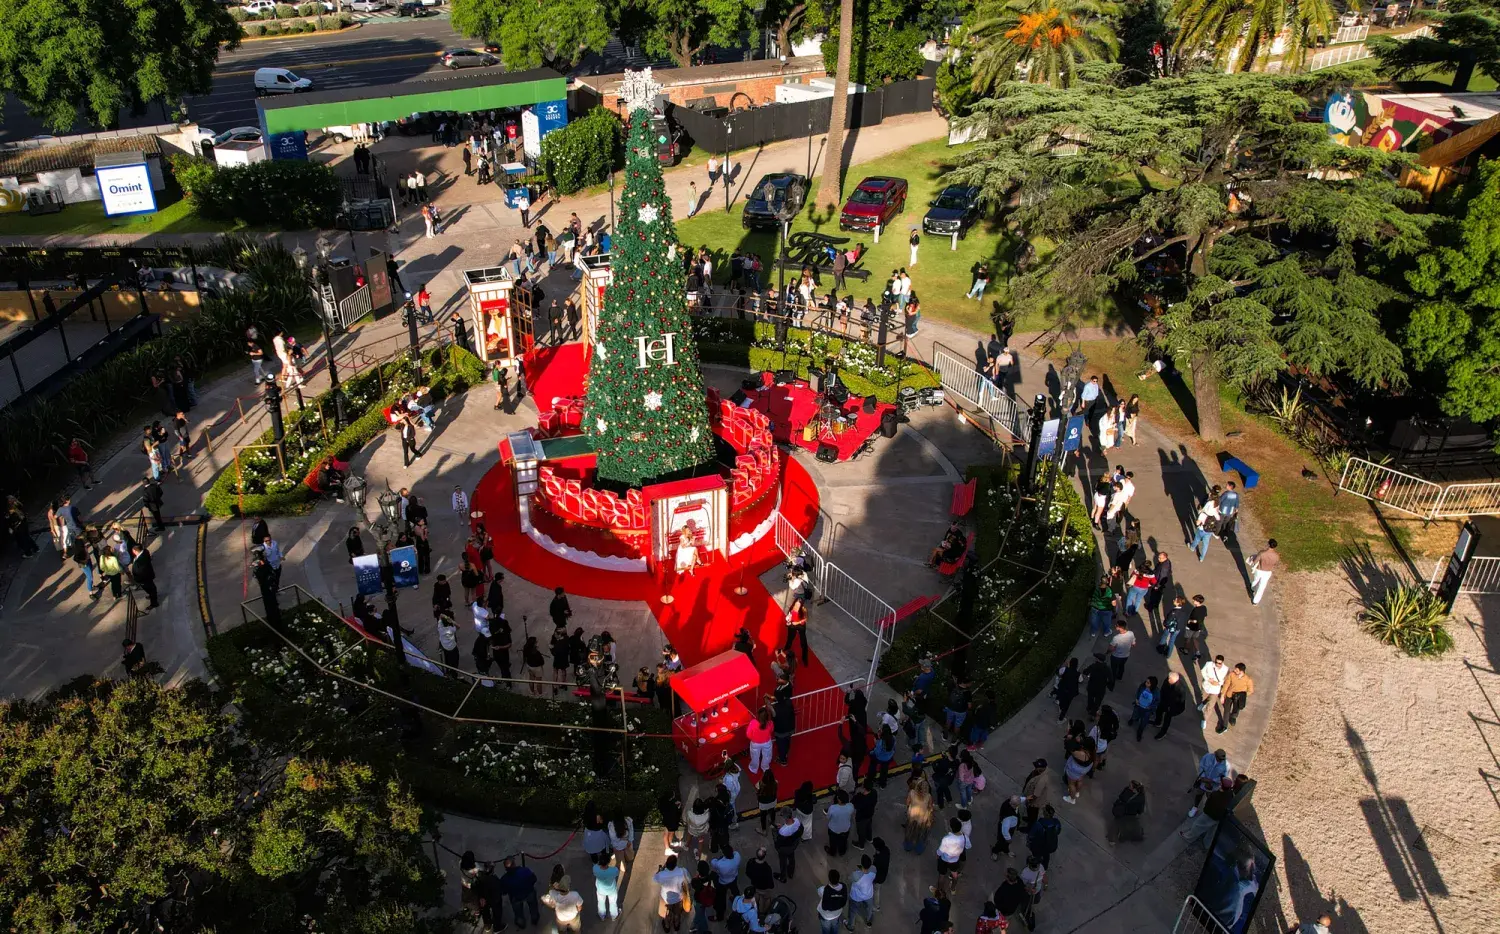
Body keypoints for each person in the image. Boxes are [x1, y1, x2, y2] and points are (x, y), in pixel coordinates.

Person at [1188, 749, 1233, 817]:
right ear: (1215, 754)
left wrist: (1211, 781)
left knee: (1210, 799)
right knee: (1199, 794)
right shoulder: (1207, 757)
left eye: (1222, 759)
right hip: (1203, 782)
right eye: (1219, 758)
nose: (1221, 760)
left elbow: (1223, 778)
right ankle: (1195, 807)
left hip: (1213, 786)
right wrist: (1203, 778)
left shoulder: (1227, 766)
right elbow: (1201, 766)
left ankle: (1206, 811)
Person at [499, 857, 541, 929]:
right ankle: (535, 919)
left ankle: (521, 923)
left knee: (518, 912)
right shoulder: (525, 871)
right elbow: (534, 879)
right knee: (533, 907)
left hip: (516, 897)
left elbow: (504, 892)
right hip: (529, 893)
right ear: (514, 864)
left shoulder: (504, 879)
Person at [653, 854, 690, 932]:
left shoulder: (661, 874)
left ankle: (667, 926)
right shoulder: (682, 871)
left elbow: (655, 879)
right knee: (677, 913)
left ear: (666, 864)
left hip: (665, 898)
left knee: (666, 913)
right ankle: (676, 925)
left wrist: (660, 870)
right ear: (675, 864)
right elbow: (689, 880)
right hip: (678, 898)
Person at [1218, 663, 1254, 733]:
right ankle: (1225, 726)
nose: (1234, 670)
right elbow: (1226, 684)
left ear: (1241, 671)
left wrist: (1242, 695)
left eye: (1236, 670)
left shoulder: (1248, 680)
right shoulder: (1232, 674)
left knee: (1236, 710)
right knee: (1226, 711)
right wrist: (1222, 695)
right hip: (1229, 695)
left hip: (1238, 699)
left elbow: (1251, 691)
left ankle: (1233, 717)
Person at [1108, 780, 1147, 844]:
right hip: (1132, 815)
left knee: (1116, 823)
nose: (1129, 786)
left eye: (1130, 785)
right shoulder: (1141, 797)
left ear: (1133, 788)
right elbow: (1140, 810)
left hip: (1122, 812)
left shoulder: (1127, 791)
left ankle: (1112, 839)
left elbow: (1120, 797)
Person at [936, 816, 968, 892]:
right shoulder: (963, 837)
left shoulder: (946, 839)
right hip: (955, 860)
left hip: (944, 859)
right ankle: (953, 889)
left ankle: (939, 891)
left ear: (951, 828)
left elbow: (940, 851)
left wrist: (937, 856)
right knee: (955, 874)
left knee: (942, 875)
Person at [903, 776, 935, 854]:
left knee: (909, 833)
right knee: (921, 835)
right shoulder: (928, 796)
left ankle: (908, 847)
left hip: (912, 818)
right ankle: (919, 849)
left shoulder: (911, 793)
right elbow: (930, 808)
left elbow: (907, 803)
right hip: (923, 820)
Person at [1153, 671, 1188, 738]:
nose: (1168, 679)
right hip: (1166, 701)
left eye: (1170, 679)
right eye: (1169, 678)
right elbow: (1162, 690)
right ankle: (1158, 722)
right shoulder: (1167, 681)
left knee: (1167, 717)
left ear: (1175, 680)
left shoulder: (1181, 689)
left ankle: (1163, 732)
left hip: (1175, 707)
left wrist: (1171, 708)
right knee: (1159, 709)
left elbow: (1181, 701)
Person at [815, 869, 851, 934]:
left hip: (825, 916)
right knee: (835, 927)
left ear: (829, 879)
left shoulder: (823, 890)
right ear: (838, 878)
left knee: (826, 930)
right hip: (837, 914)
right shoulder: (843, 887)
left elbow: (819, 892)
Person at [1199, 654, 1230, 729]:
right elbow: (1203, 671)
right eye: (1216, 662)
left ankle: (1204, 719)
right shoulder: (1209, 664)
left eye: (1219, 663)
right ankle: (1203, 703)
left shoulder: (1226, 669)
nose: (1217, 664)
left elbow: (1226, 680)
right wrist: (1208, 679)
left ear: (1222, 662)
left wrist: (1218, 683)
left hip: (1215, 690)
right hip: (1206, 686)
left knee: (1210, 706)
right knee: (1203, 697)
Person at [773, 808, 802, 882]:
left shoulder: (782, 831)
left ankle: (783, 877)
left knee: (783, 862)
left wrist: (774, 830)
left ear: (785, 817)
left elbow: (777, 842)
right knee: (791, 858)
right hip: (793, 845)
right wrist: (783, 826)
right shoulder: (797, 821)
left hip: (784, 849)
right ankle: (791, 873)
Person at [1019, 856, 1046, 930]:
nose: (1037, 867)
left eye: (1037, 865)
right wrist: (1029, 889)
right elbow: (1022, 885)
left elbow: (1043, 875)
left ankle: (1029, 907)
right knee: (1025, 904)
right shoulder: (1025, 873)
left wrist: (1046, 884)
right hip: (1028, 893)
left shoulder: (1041, 867)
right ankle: (1024, 911)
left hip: (1037, 891)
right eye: (1035, 866)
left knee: (1036, 901)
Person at [1249, 539, 1279, 604]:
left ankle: (1252, 589)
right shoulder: (1276, 556)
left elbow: (1255, 562)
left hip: (1259, 570)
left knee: (1256, 580)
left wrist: (1252, 558)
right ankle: (1255, 601)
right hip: (1267, 572)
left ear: (1268, 544)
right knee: (1262, 587)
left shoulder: (1262, 553)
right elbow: (1275, 564)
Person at [1106, 620, 1136, 688]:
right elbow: (1133, 644)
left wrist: (1107, 652)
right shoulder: (1131, 633)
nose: (1115, 626)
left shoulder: (1116, 638)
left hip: (1116, 656)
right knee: (1121, 666)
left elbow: (1111, 648)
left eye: (1116, 625)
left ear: (1120, 628)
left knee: (1113, 670)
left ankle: (1111, 684)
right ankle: (1119, 677)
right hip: (1126, 656)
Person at [129, 544, 159, 609]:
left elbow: (140, 571)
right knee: (151, 588)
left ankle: (154, 603)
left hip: (144, 578)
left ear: (135, 551)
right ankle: (152, 596)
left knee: (151, 589)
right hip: (147, 576)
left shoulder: (140, 560)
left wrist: (138, 579)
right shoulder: (145, 552)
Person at [825, 790, 854, 857]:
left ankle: (832, 852)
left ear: (839, 800)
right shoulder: (850, 806)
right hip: (845, 828)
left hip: (833, 829)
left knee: (833, 842)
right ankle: (842, 852)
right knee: (844, 841)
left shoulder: (833, 808)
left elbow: (828, 817)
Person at [1128, 676, 1158, 741]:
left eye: (1148, 683)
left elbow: (1157, 701)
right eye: (1146, 682)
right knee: (1135, 714)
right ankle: (1132, 719)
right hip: (1138, 705)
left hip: (1147, 710)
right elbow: (1138, 692)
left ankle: (1140, 731)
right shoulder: (1142, 686)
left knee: (1143, 721)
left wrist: (1151, 706)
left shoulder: (1156, 692)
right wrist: (1137, 699)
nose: (1146, 683)